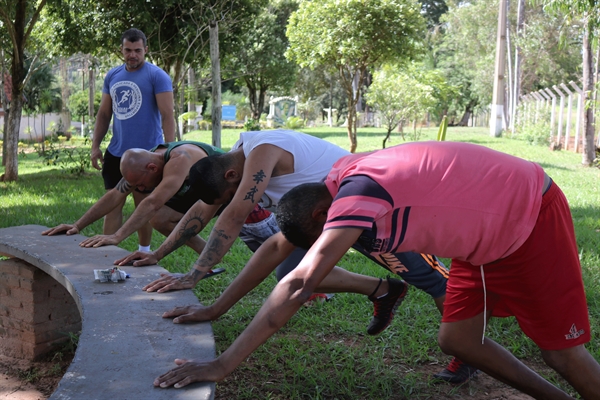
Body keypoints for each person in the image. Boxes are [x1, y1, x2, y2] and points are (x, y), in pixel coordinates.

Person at [153, 141, 600, 399]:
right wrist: (215, 308)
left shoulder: (358, 195)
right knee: (458, 339)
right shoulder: (333, 184)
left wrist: (223, 365)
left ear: (321, 219)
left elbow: (299, 281)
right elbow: (276, 248)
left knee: (560, 352)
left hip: (528, 214)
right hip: (480, 236)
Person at [118, 130, 474, 382]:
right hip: (320, 213)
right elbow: (267, 242)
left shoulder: (263, 152)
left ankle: (469, 350)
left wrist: (197, 279)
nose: (234, 197)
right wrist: (213, 306)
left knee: (432, 280)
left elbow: (235, 214)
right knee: (286, 269)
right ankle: (384, 290)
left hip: (367, 207)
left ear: (232, 176)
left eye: (229, 192)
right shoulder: (241, 158)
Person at [42, 141, 222, 259]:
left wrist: (117, 236)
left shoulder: (179, 159)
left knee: (156, 213)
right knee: (159, 219)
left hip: (226, 189)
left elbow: (152, 203)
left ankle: (209, 256)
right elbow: (115, 195)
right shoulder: (148, 161)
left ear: (151, 168)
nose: (140, 189)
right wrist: (77, 225)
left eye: (140, 184)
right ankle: (209, 256)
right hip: (199, 191)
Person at [91, 28, 175, 253]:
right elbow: (103, 114)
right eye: (128, 50)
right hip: (117, 153)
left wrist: (169, 150)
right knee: (112, 204)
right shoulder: (113, 76)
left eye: (138, 50)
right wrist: (95, 146)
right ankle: (106, 254)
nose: (133, 55)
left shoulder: (157, 76)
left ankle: (143, 250)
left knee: (143, 207)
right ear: (122, 50)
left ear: (145, 50)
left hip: (147, 155)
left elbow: (168, 115)